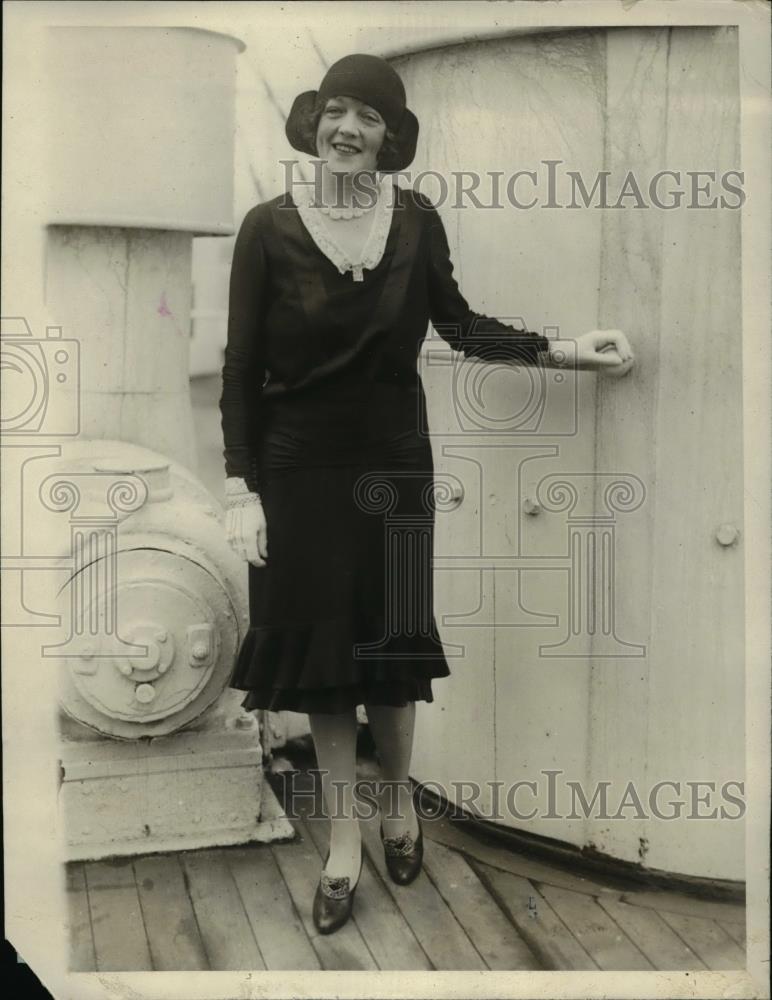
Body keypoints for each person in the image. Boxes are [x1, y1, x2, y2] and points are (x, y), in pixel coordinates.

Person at [220, 53, 634, 935]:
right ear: (314, 122)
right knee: (327, 669)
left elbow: (459, 324)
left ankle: (399, 805)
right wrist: (240, 488)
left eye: (369, 117)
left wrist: (562, 350)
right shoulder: (265, 228)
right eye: (336, 110)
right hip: (296, 472)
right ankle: (340, 840)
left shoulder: (415, 221)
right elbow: (239, 368)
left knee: (394, 651)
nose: (349, 130)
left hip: (395, 462)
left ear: (390, 137)